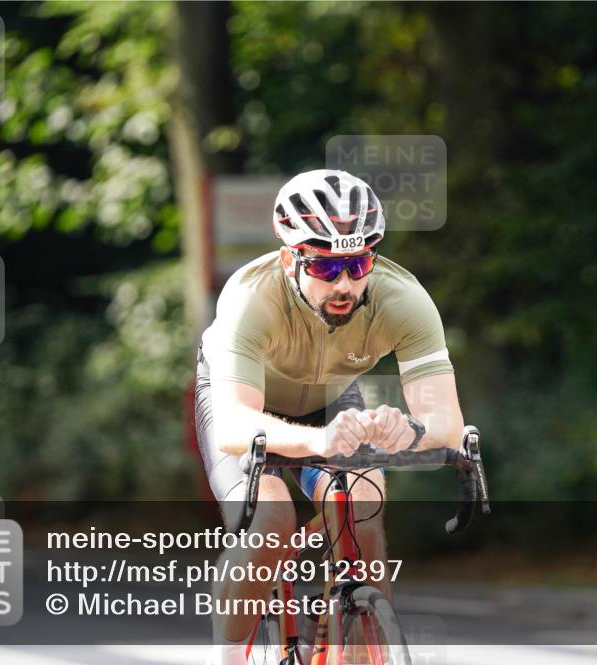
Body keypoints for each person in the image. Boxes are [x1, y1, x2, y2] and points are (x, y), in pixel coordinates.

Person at [196, 169, 464, 664]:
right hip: (243, 404)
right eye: (324, 267)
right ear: (288, 258)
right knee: (271, 520)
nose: (344, 283)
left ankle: (362, 644)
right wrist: (319, 443)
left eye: (358, 263)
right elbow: (235, 427)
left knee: (364, 506)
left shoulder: (401, 299)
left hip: (329, 399)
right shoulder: (251, 299)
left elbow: (446, 420)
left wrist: (410, 430)